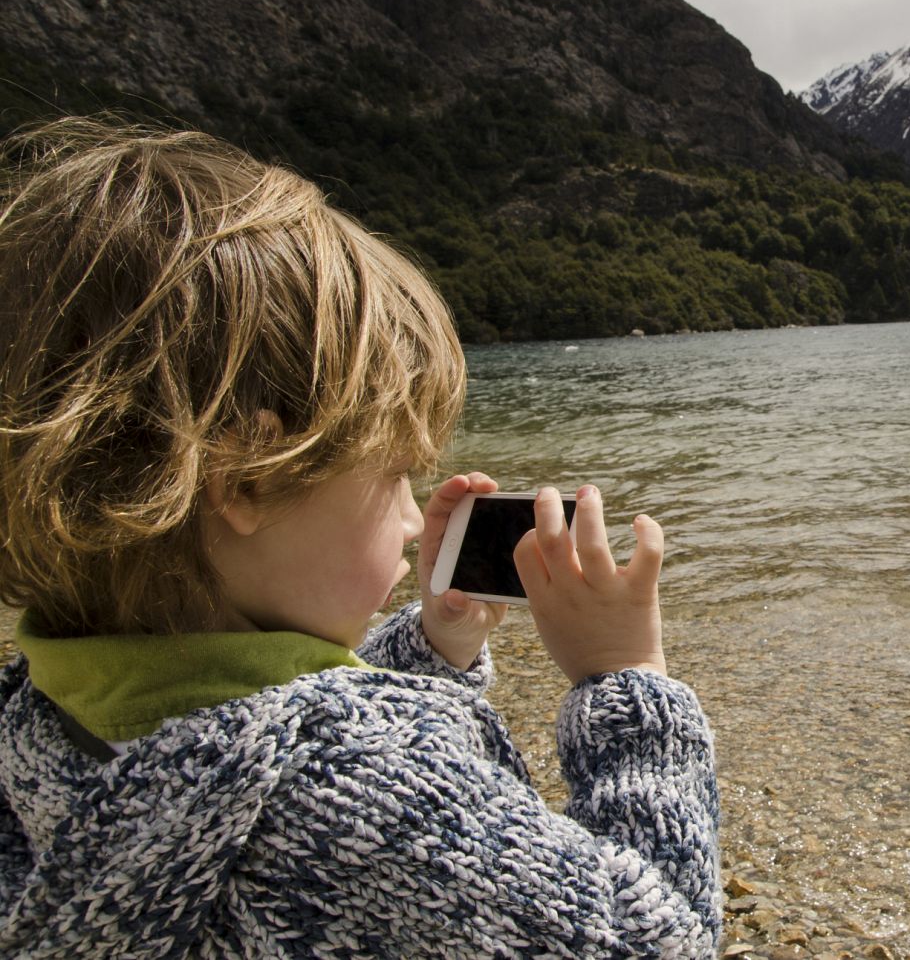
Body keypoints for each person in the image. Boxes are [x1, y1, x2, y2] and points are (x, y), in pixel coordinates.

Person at [0, 117, 720, 957]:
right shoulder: (357, 797)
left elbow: (250, 721)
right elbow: (653, 938)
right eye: (393, 476)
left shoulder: (39, 720)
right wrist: (626, 684)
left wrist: (435, 646)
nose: (416, 518)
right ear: (248, 479)